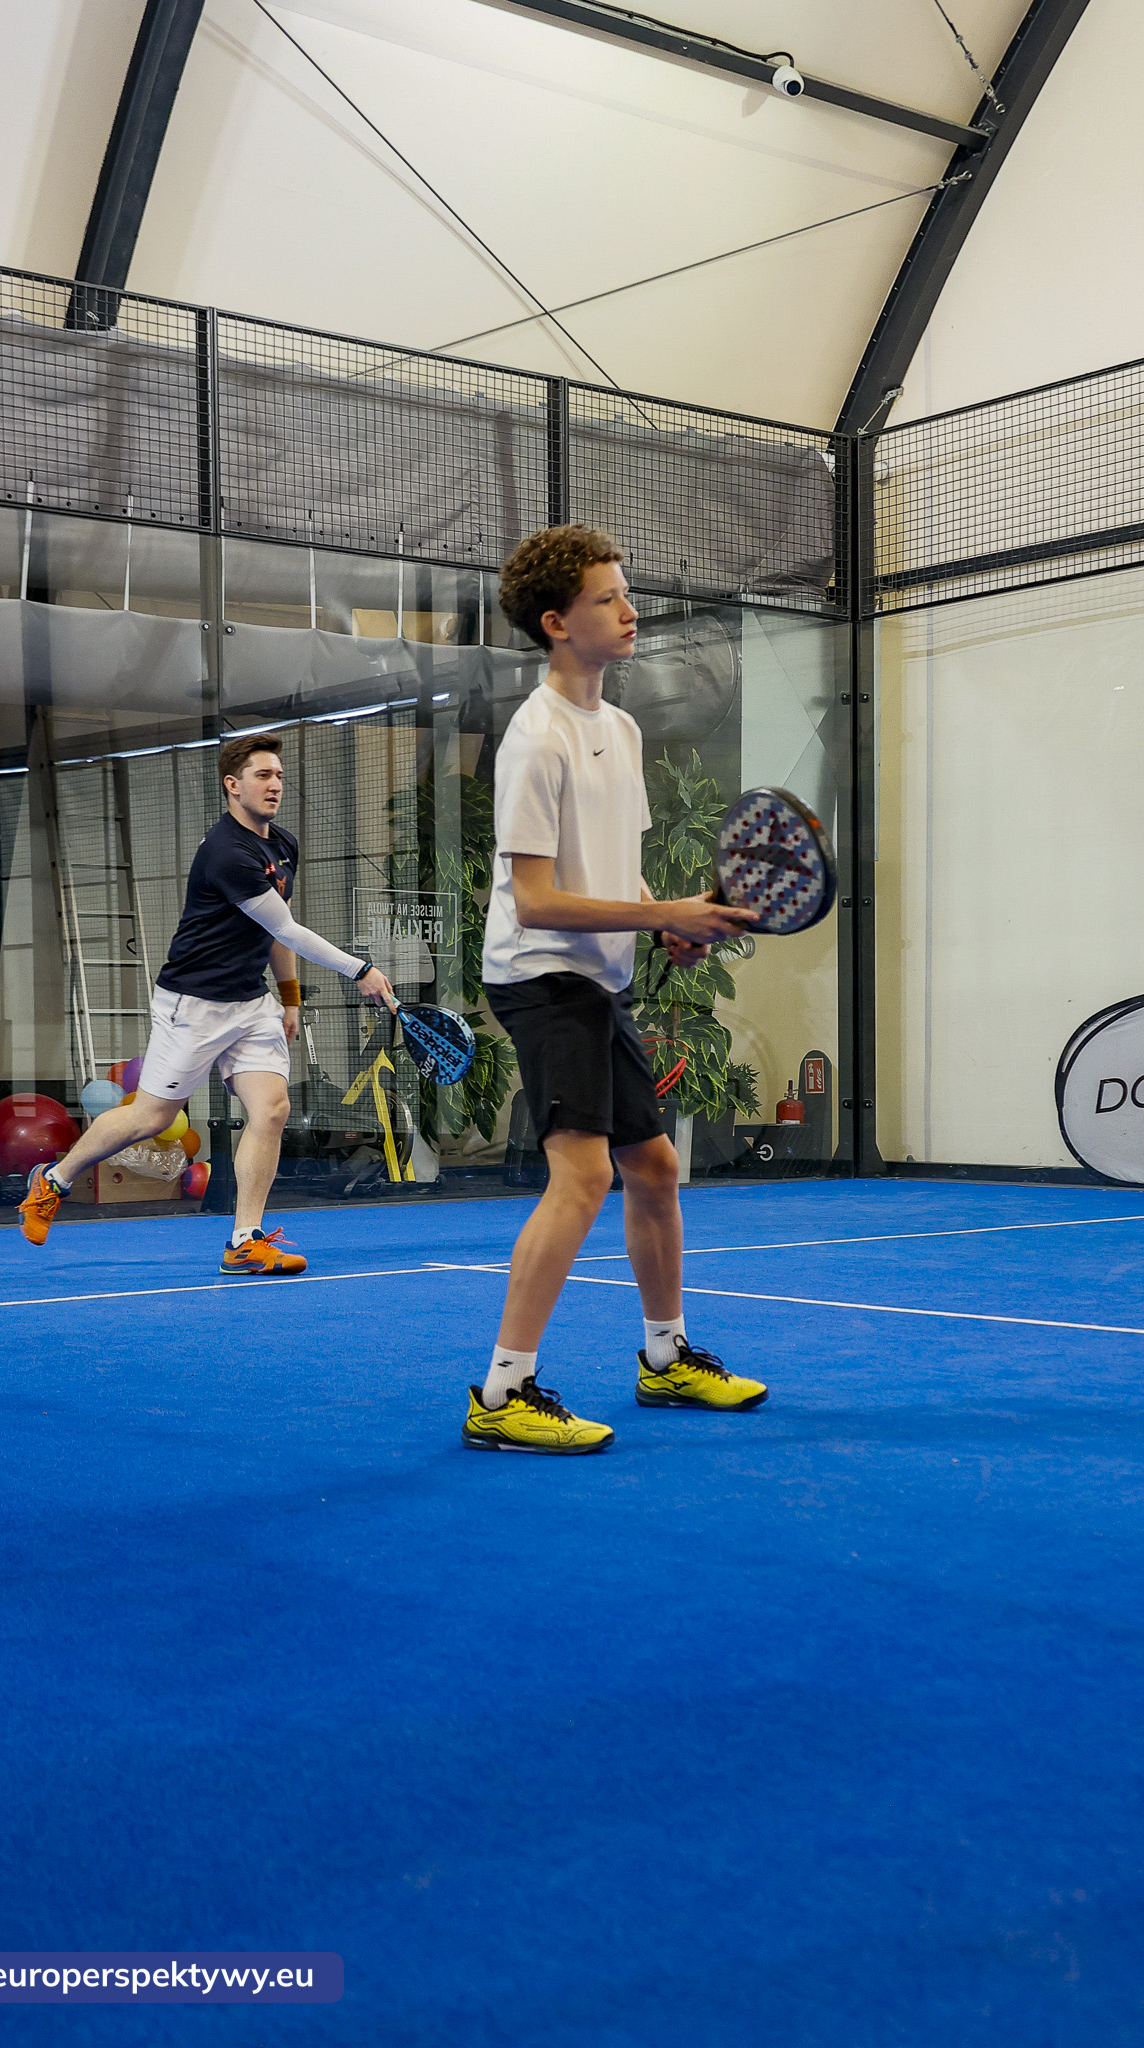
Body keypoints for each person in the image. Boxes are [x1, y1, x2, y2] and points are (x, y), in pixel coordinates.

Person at [464, 523, 766, 1454]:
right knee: (586, 1173)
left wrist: (664, 921)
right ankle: (501, 1393)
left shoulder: (620, 729)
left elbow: (611, 866)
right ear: (557, 623)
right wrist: (661, 911)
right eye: (607, 599)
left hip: (596, 977)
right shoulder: (535, 739)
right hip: (540, 976)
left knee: (654, 1167)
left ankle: (665, 1359)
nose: (630, 611)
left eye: (625, 593)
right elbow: (536, 899)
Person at [18, 735, 394, 1271]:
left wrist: (288, 998)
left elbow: (275, 932)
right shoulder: (226, 853)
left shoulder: (282, 845)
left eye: (279, 775)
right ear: (232, 785)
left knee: (272, 1109)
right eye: (263, 775)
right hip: (192, 1005)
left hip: (250, 1003)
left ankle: (244, 1240)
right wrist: (361, 969)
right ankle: (53, 1181)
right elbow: (288, 928)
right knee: (151, 1116)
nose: (275, 785)